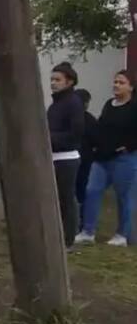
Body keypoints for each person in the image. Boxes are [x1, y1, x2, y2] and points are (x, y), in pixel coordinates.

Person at [75, 70, 137, 247]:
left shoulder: (134, 107)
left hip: (124, 159)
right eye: (115, 82)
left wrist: (128, 146)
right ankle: (88, 231)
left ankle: (121, 235)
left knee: (124, 197)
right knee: (92, 190)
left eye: (121, 82)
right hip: (102, 158)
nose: (116, 85)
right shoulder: (110, 104)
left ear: (131, 87)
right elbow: (101, 126)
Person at [47, 63, 85, 248]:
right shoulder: (56, 104)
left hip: (66, 158)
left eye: (57, 80)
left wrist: (49, 137)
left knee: (66, 199)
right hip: (53, 156)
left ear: (69, 82)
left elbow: (75, 133)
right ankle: (57, 235)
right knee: (55, 200)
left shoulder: (73, 103)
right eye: (52, 79)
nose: (53, 83)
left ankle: (68, 240)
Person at [75, 88, 99, 227]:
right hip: (85, 160)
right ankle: (81, 221)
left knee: (75, 191)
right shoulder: (89, 119)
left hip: (78, 160)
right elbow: (97, 140)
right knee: (82, 191)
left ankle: (77, 221)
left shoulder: (71, 117)